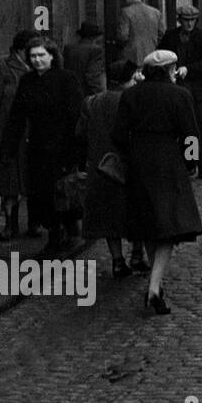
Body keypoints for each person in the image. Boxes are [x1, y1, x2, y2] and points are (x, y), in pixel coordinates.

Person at [111, 49, 202, 316]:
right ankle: (153, 288)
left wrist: (134, 153)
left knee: (150, 223)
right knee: (168, 227)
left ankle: (157, 284)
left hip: (138, 164)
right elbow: (190, 135)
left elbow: (118, 135)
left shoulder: (130, 95)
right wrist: (190, 164)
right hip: (168, 163)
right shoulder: (180, 95)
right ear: (169, 70)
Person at [0, 36, 84, 257]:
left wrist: (75, 150)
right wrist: (8, 146)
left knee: (62, 192)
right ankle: (55, 232)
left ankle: (62, 232)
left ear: (52, 56)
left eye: (41, 56)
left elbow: (75, 116)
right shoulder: (27, 81)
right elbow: (17, 116)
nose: (37, 60)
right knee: (41, 194)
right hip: (37, 146)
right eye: (33, 56)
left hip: (63, 145)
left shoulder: (66, 79)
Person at [77, 59, 139, 279]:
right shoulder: (134, 102)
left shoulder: (91, 102)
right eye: (134, 78)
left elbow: (81, 134)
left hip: (101, 168)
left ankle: (117, 260)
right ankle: (138, 254)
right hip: (129, 166)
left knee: (108, 217)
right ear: (127, 81)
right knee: (135, 212)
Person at [158, 6, 202, 180]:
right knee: (187, 129)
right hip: (179, 90)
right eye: (186, 20)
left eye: (192, 20)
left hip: (199, 91)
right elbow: (161, 55)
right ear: (179, 21)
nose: (189, 24)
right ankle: (190, 163)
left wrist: (188, 69)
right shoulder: (171, 36)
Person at [0, 29, 34, 240]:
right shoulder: (3, 68)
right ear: (22, 49)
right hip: (8, 133)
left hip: (28, 132)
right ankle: (10, 224)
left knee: (25, 179)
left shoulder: (34, 67)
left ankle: (25, 222)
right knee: (9, 181)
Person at [117, 0, 163, 67]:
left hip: (132, 57)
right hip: (152, 55)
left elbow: (123, 36)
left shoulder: (126, 12)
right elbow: (161, 34)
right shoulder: (156, 12)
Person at [64, 21, 106, 98]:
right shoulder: (96, 50)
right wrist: (101, 96)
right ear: (92, 37)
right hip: (86, 94)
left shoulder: (68, 48)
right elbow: (93, 76)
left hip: (69, 92)